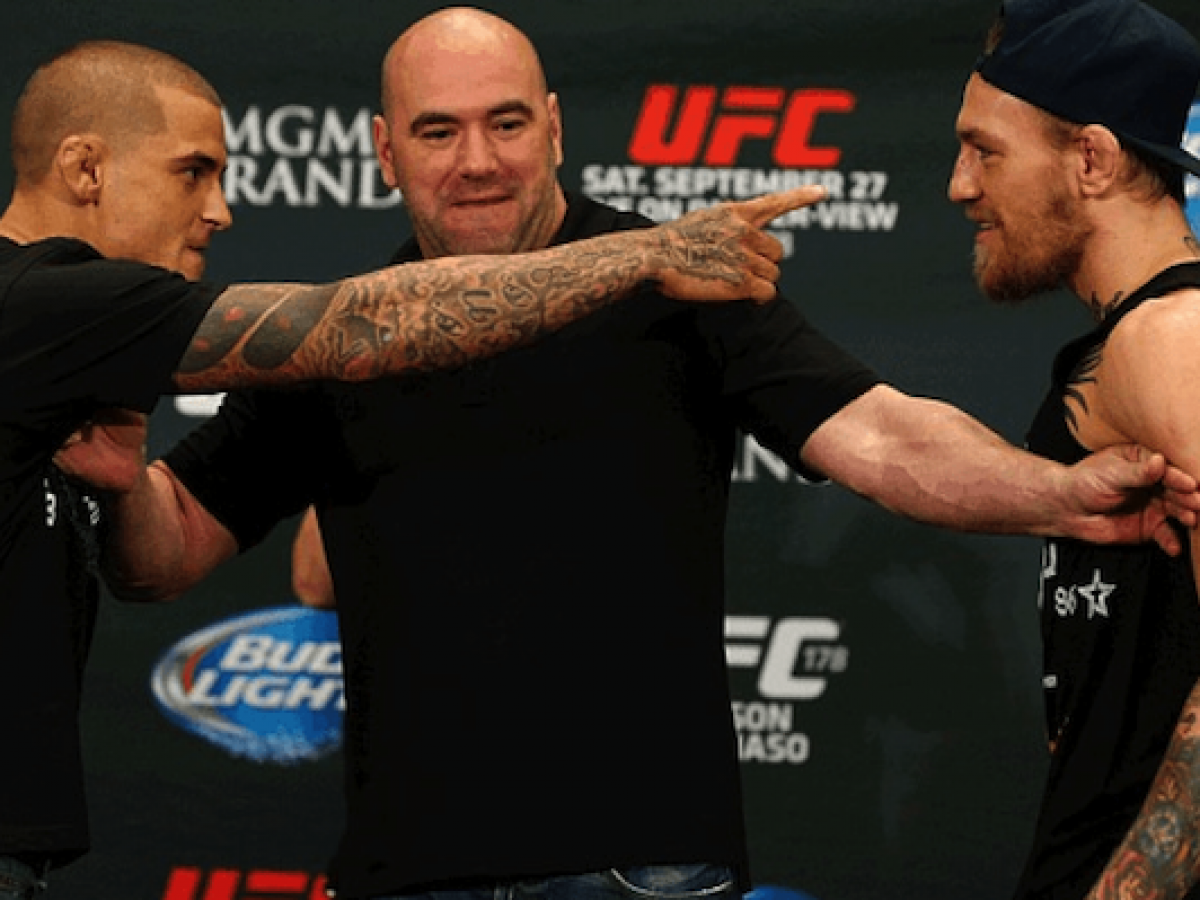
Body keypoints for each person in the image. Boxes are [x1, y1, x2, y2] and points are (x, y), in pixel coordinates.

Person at [91, 9, 1200, 900]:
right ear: (383, 151)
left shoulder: (677, 277)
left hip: (643, 868)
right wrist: (109, 444)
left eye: (507, 123)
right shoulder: (349, 334)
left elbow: (881, 433)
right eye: (437, 132)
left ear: (555, 128)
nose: (478, 161)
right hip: (407, 868)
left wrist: (1056, 494)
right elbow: (164, 549)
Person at [0, 38, 823, 900]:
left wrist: (126, 480)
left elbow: (155, 553)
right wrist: (647, 254)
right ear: (85, 168)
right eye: (193, 172)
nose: (221, 210)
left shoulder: (65, 337)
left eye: (506, 124)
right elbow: (352, 327)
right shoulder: (43, 301)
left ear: (552, 129)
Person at [946, 0, 1200, 898]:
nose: (959, 186)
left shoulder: (1169, 338)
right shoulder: (1139, 337)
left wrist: (1129, 889)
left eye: (985, 151)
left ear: (1091, 158)